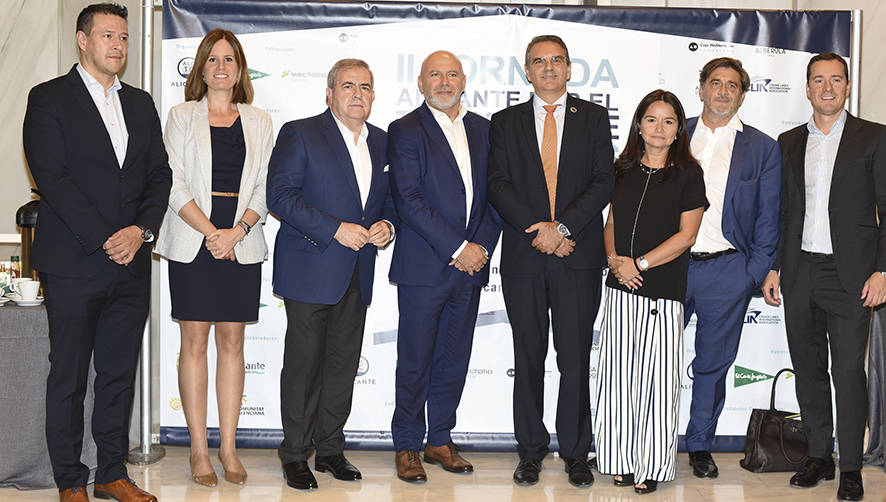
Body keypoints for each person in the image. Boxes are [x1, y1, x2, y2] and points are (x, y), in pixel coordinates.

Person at [22, 3, 170, 502]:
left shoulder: (142, 104)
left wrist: (141, 231)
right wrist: (111, 237)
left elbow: (159, 176)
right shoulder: (48, 98)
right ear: (82, 40)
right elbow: (52, 178)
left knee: (118, 371)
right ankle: (69, 478)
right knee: (68, 375)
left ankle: (111, 472)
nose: (119, 46)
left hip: (132, 262)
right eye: (108, 36)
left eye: (125, 37)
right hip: (75, 261)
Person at [487, 35, 614, 488]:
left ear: (569, 68)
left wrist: (562, 229)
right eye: (538, 61)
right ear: (527, 70)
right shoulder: (504, 122)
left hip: (577, 255)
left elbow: (603, 183)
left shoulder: (594, 118)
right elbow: (497, 185)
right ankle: (530, 450)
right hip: (525, 257)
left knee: (575, 358)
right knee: (529, 356)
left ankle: (577, 452)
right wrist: (540, 229)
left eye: (556, 60)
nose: (548, 68)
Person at [267, 58, 397, 491]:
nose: (357, 93)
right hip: (310, 267)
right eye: (348, 86)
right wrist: (334, 228)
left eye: (365, 86)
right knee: (304, 367)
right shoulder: (300, 133)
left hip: (358, 271)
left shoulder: (382, 142)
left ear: (374, 95)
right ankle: (294, 454)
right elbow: (279, 196)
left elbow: (390, 202)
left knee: (342, 366)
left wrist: (387, 226)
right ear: (329, 93)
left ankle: (329, 450)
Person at [762, 52, 886, 501]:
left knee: (849, 371)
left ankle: (851, 466)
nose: (827, 88)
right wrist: (775, 265)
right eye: (819, 80)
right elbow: (781, 212)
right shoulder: (789, 141)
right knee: (809, 370)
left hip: (852, 277)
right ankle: (819, 456)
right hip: (799, 272)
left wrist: (883, 269)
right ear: (808, 88)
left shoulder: (874, 138)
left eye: (836, 80)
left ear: (848, 87)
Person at [154, 29, 273, 487]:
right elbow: (173, 181)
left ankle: (228, 447)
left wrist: (237, 231)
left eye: (229, 59)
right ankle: (199, 451)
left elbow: (265, 185)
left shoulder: (261, 121)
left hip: (241, 237)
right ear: (201, 68)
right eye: (213, 59)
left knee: (233, 344)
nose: (221, 67)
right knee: (195, 344)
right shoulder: (181, 116)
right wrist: (211, 234)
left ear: (240, 68)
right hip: (194, 238)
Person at [387, 50, 502, 483]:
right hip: (425, 266)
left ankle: (439, 439)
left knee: (454, 358)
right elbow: (408, 199)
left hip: (471, 268)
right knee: (415, 359)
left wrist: (480, 249)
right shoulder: (406, 129)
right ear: (420, 83)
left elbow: (496, 196)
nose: (444, 81)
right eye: (435, 74)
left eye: (452, 74)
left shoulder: (484, 130)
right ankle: (407, 444)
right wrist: (458, 247)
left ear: (464, 80)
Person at [594, 90, 707, 495]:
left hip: (660, 291)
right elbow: (611, 222)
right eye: (652, 119)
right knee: (619, 379)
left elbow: (686, 236)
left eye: (669, 121)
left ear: (679, 130)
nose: (660, 128)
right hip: (620, 286)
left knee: (657, 383)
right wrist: (615, 261)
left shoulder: (689, 174)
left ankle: (652, 465)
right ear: (638, 124)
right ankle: (620, 459)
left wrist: (638, 264)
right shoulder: (621, 169)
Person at [682, 57, 780, 479]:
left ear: (742, 94)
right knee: (653, 361)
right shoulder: (671, 132)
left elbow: (769, 218)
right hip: (669, 268)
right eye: (715, 83)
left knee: (711, 367)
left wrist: (752, 273)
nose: (723, 91)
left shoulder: (762, 147)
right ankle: (642, 442)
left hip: (728, 271)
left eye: (733, 85)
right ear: (701, 88)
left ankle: (699, 445)